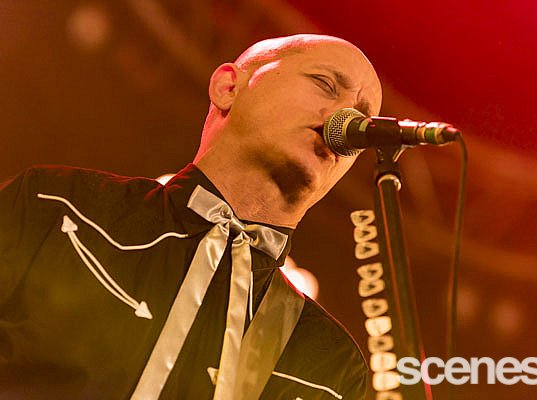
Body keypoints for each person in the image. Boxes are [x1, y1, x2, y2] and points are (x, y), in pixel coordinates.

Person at [0, 34, 382, 399]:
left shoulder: (329, 365)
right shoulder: (58, 206)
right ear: (228, 87)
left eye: (362, 117)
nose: (347, 120)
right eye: (325, 84)